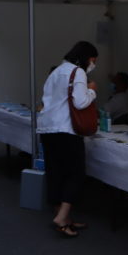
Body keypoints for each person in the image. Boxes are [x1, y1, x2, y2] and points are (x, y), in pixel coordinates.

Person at [36, 41, 99, 237]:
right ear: (86, 58)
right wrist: (92, 91)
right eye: (93, 60)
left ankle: (62, 217)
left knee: (56, 172)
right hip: (66, 128)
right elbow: (80, 102)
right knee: (76, 173)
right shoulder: (77, 72)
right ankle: (62, 217)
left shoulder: (56, 71)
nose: (93, 64)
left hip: (47, 128)